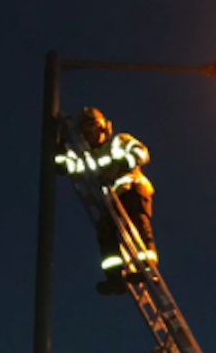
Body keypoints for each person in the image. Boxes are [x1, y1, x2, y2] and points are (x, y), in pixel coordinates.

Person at [56, 107, 157, 296]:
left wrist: (125, 163)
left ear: (104, 127)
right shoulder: (88, 156)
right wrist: (61, 147)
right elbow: (67, 168)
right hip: (111, 200)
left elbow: (141, 152)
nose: (91, 134)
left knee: (137, 225)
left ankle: (146, 266)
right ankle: (115, 277)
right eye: (86, 131)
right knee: (105, 233)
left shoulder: (119, 141)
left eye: (94, 128)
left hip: (132, 188)